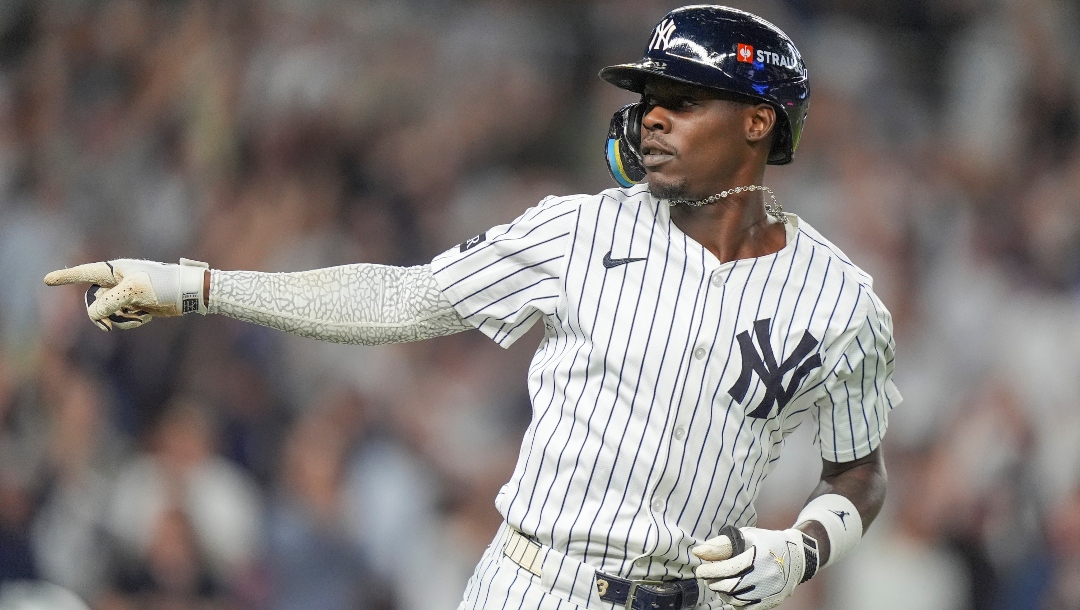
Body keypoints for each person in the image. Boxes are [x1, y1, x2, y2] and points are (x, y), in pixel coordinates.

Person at [45, 6, 900, 610]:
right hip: (539, 587)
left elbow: (857, 474)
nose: (653, 120)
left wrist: (800, 549)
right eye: (649, 98)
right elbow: (404, 299)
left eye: (683, 99)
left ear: (759, 122)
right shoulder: (578, 229)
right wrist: (201, 286)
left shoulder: (842, 302)